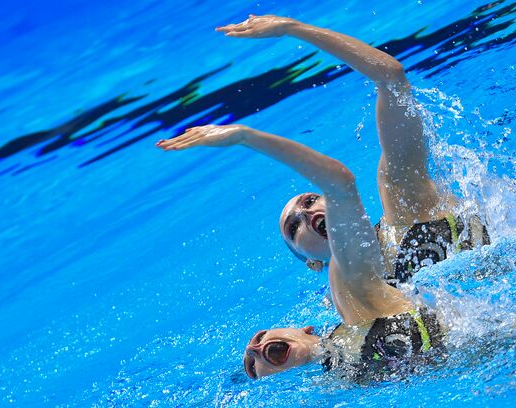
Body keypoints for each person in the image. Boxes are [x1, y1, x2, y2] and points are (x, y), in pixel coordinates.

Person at [156, 15, 489, 379]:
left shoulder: (404, 199)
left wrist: (293, 31)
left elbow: (390, 78)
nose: (306, 213)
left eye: (308, 200)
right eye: (294, 228)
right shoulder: (347, 301)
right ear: (311, 263)